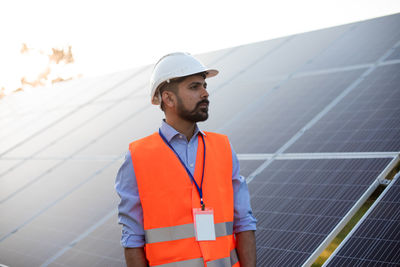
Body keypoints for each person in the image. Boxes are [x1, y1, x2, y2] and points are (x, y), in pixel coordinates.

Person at [115, 52, 257, 267]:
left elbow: (244, 223)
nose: (205, 93)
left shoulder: (223, 147)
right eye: (194, 87)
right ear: (168, 98)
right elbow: (132, 239)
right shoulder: (138, 156)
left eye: (204, 85)